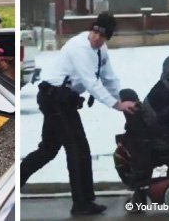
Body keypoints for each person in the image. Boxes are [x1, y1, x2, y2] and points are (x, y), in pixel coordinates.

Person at [19, 12, 137, 215]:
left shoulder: (101, 50)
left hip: (63, 101)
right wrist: (116, 105)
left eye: (102, 36)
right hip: (54, 100)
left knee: (48, 150)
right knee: (78, 150)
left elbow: (109, 78)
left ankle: (16, 182)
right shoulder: (79, 47)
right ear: (92, 29)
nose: (97, 38)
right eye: (95, 32)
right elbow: (91, 82)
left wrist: (124, 98)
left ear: (108, 37)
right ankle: (81, 202)